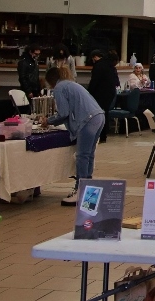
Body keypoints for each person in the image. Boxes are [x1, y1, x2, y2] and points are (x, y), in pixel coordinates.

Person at [38, 67, 104, 206]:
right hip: (99, 117)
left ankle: (80, 190)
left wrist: (48, 121)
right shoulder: (71, 84)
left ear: (50, 81)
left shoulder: (59, 88)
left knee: (82, 156)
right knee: (89, 155)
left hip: (87, 120)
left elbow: (63, 113)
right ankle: (88, 191)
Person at [87, 49, 118, 143]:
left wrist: (89, 93)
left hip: (100, 93)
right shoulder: (111, 66)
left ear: (95, 57)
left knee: (97, 114)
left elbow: (94, 81)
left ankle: (98, 134)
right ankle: (104, 135)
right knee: (105, 113)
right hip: (110, 93)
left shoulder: (98, 66)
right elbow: (116, 81)